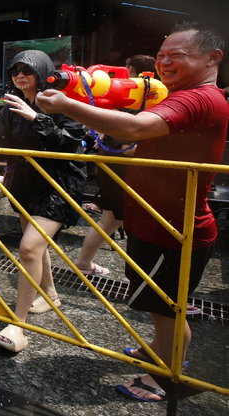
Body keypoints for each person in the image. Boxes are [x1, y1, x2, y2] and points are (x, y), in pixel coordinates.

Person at [36, 21, 228, 402]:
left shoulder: (197, 97)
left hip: (173, 228)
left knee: (169, 310)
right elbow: (154, 142)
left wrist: (70, 105)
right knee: (159, 305)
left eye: (177, 55)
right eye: (161, 55)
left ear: (213, 58)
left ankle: (169, 377)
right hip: (158, 221)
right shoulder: (189, 96)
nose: (165, 63)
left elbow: (139, 128)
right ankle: (157, 351)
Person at [0, 49, 87, 352]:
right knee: (37, 248)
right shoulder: (10, 106)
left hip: (56, 186)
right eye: (16, 70)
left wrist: (36, 117)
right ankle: (52, 296)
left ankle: (18, 326)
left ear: (42, 72)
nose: (20, 75)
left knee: (30, 246)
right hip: (24, 184)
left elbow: (72, 146)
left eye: (27, 70)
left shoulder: (61, 101)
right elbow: (4, 150)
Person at [73, 55, 155, 276]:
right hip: (120, 169)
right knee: (112, 220)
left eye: (126, 67)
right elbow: (128, 147)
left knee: (111, 220)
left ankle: (84, 263)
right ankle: (84, 263)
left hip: (114, 167)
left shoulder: (129, 98)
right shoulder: (136, 100)